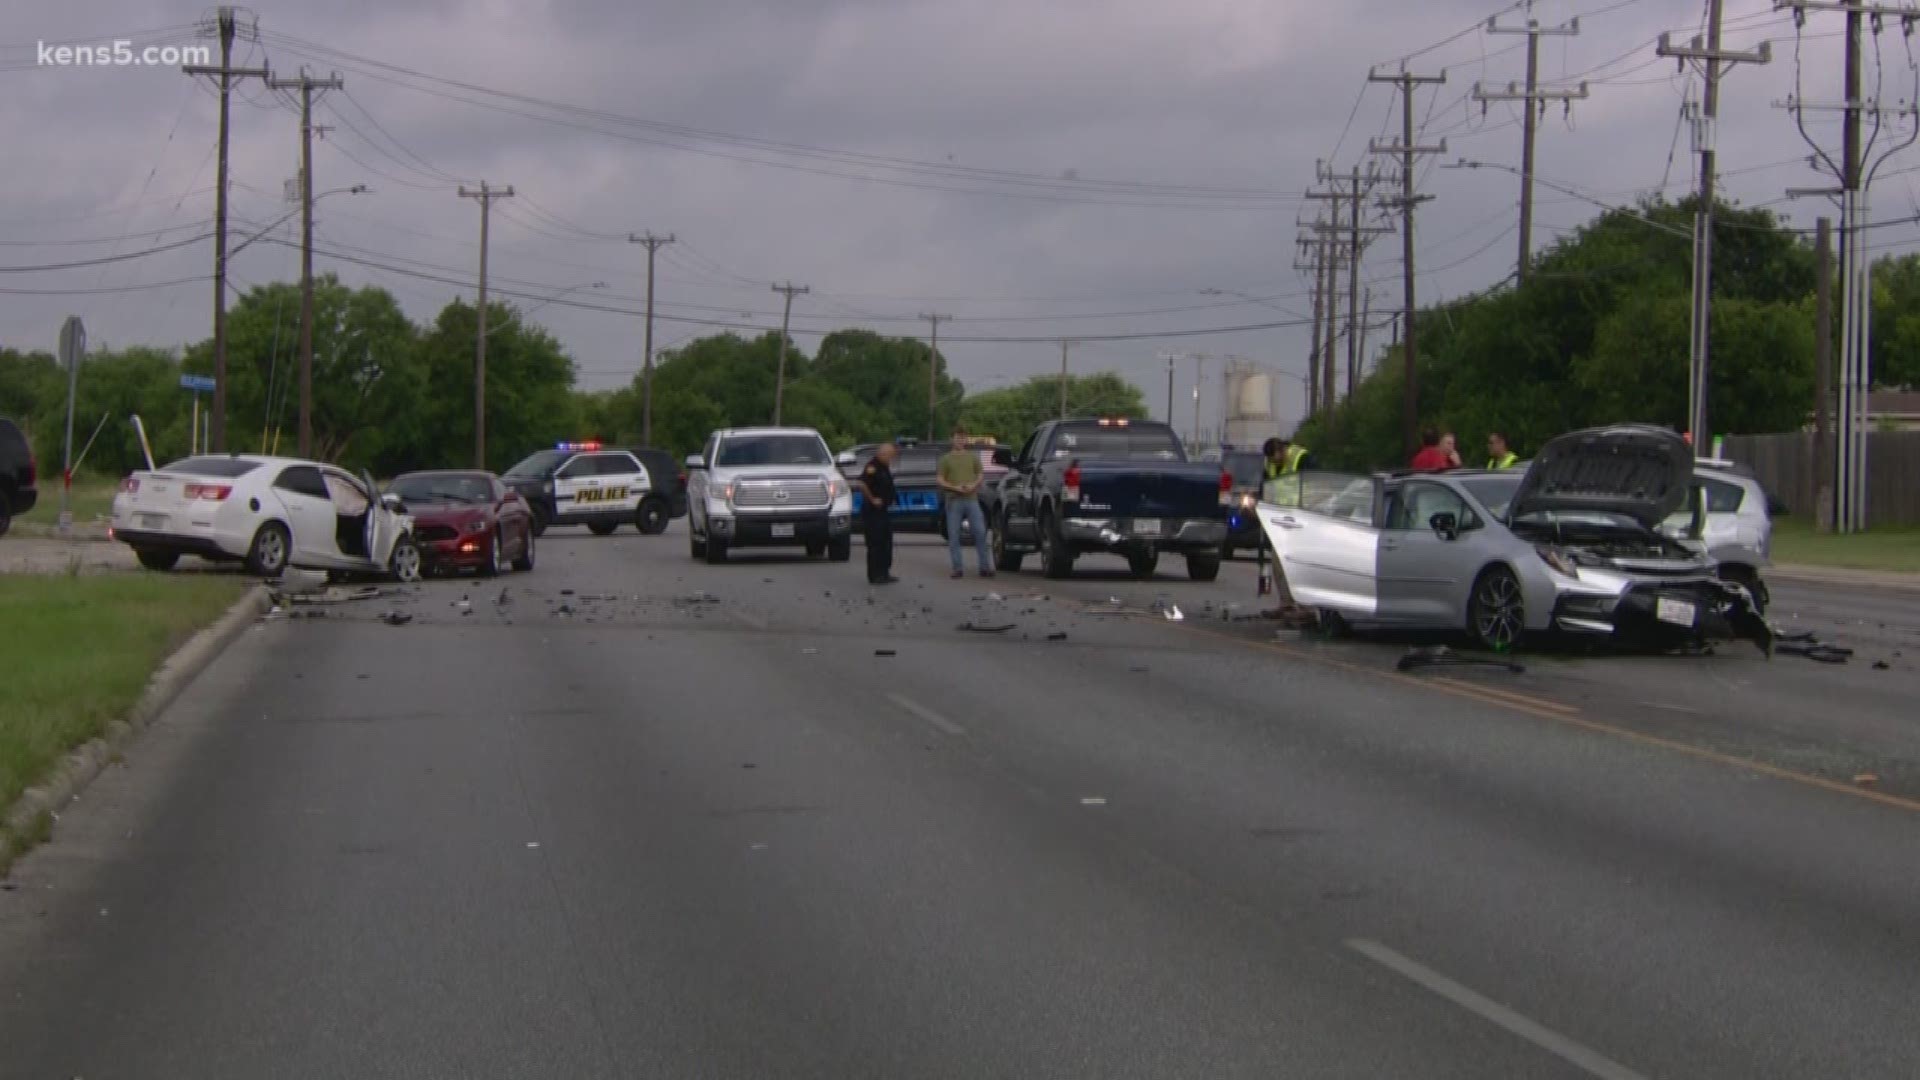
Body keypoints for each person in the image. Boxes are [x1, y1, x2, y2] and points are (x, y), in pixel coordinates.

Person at [937, 427, 993, 579]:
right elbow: (940, 479)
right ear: (951, 439)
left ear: (966, 440)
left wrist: (973, 485)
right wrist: (954, 487)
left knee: (980, 532)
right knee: (954, 535)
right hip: (953, 500)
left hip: (972, 499)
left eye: (962, 438)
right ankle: (957, 568)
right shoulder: (945, 459)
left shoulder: (972, 457)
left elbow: (980, 474)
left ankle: (985, 567)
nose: (960, 441)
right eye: (957, 438)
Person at [852, 442, 899, 584]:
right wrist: (872, 499)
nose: (891, 459)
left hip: (883, 511)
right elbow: (861, 483)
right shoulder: (872, 466)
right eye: (890, 456)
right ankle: (874, 575)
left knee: (886, 543)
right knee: (875, 543)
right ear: (882, 454)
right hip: (873, 512)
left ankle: (884, 572)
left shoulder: (884, 466)